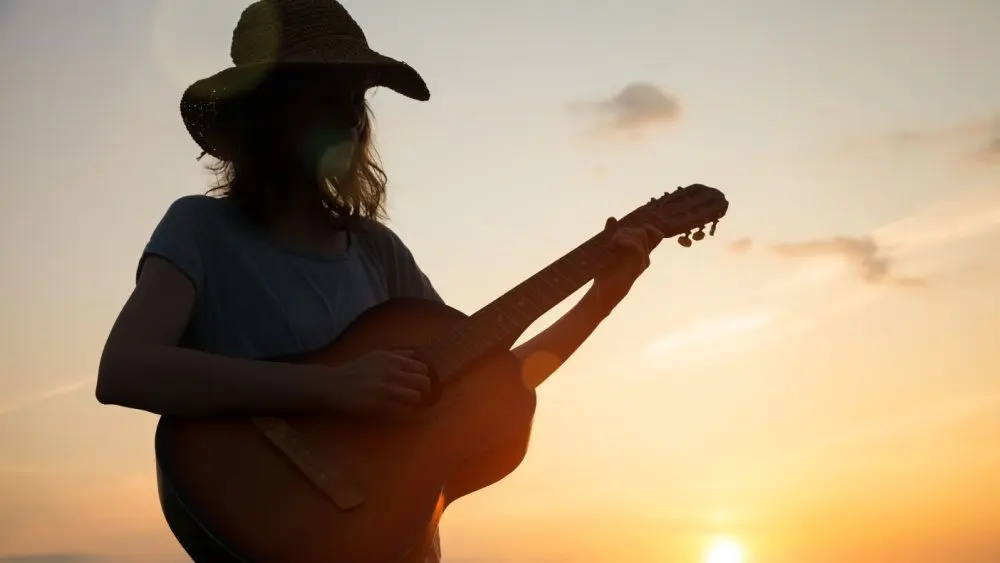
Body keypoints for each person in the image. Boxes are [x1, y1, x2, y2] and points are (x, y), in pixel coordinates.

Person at [95, 0, 664, 561]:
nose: (349, 118)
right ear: (266, 111)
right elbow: (126, 369)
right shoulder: (201, 228)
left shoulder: (378, 251)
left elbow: (494, 378)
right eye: (325, 97)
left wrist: (601, 297)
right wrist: (333, 386)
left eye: (355, 99)